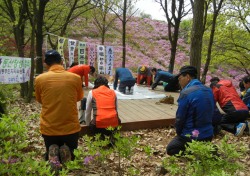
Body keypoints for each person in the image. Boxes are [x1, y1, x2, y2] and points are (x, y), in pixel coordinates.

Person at [35, 50, 83, 170]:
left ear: (46, 64)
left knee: (51, 145)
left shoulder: (40, 79)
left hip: (49, 127)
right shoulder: (76, 78)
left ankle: (52, 155)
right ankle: (68, 155)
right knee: (72, 152)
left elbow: (40, 100)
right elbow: (78, 98)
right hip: (70, 127)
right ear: (61, 62)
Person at [166, 66, 214, 156]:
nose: (179, 81)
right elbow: (215, 113)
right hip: (209, 135)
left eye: (180, 78)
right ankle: (205, 149)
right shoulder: (209, 90)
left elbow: (180, 119)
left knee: (171, 148)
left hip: (193, 136)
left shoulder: (186, 93)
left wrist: (179, 134)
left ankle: (196, 153)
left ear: (187, 77)